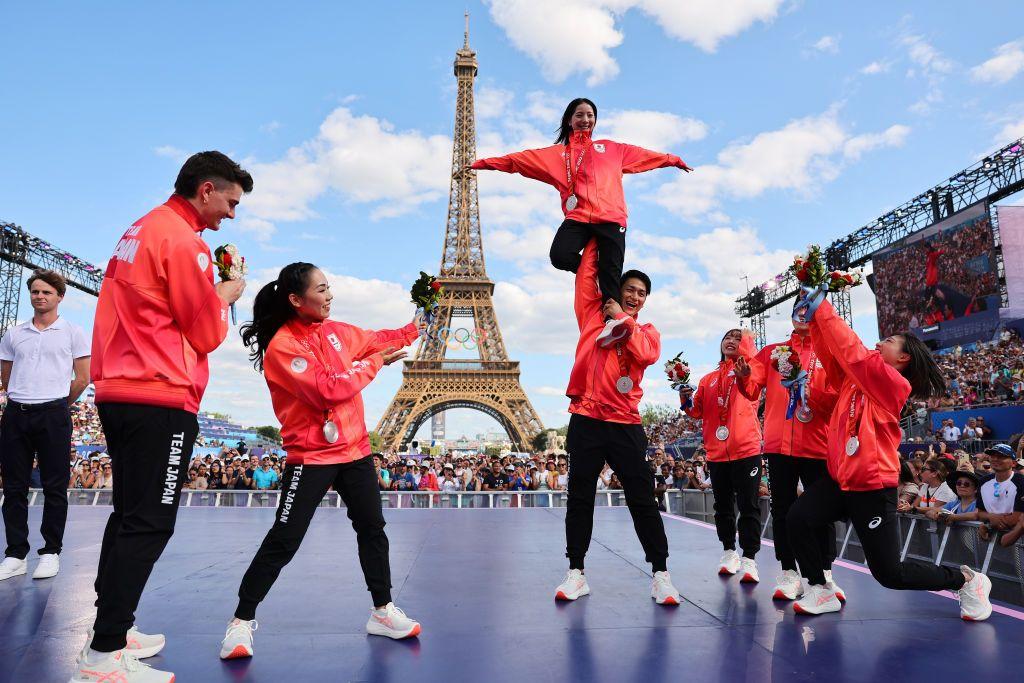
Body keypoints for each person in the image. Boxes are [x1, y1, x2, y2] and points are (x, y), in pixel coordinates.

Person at [71, 151, 251, 683]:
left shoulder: (142, 228)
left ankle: (112, 625)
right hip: (160, 392)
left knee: (127, 514)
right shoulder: (184, 241)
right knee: (150, 521)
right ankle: (103, 656)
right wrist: (227, 292)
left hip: (121, 387)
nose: (232, 215)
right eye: (231, 202)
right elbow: (206, 333)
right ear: (206, 190)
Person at [220, 262, 423, 662]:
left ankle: (382, 610)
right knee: (285, 539)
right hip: (311, 457)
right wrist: (376, 362)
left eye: (330, 287)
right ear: (297, 300)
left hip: (355, 451)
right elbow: (331, 390)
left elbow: (379, 337)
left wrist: (420, 320)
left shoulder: (337, 332)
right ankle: (241, 621)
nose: (330, 295)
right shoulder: (282, 346)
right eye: (322, 289)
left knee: (372, 529)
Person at [785, 296, 991, 619]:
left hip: (871, 486)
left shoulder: (893, 382)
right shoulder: (858, 381)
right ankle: (820, 589)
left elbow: (851, 352)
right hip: (842, 480)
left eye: (890, 341)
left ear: (904, 357)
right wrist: (812, 329)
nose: (880, 343)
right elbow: (835, 356)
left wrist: (822, 308)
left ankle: (966, 580)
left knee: (889, 573)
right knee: (797, 518)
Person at [471, 98, 692, 347]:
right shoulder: (556, 155)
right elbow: (518, 161)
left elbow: (645, 157)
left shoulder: (613, 149)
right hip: (579, 216)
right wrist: (484, 163)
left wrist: (672, 159)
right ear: (569, 120)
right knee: (560, 255)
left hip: (611, 217)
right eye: (580, 115)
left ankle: (612, 323)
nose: (585, 120)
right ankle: (592, 273)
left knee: (611, 273)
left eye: (590, 115)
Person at [556, 239, 680, 606]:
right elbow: (585, 276)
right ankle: (576, 572)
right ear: (617, 289)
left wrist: (622, 318)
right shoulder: (592, 315)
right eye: (630, 289)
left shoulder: (647, 331)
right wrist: (598, 234)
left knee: (641, 498)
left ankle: (661, 574)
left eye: (642, 294)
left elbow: (647, 353)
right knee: (579, 497)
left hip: (625, 421)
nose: (636, 297)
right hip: (586, 417)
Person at [737, 317, 844, 601]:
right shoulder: (775, 351)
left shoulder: (829, 354)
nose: (804, 312)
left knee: (823, 512)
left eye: (809, 305)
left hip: (818, 445)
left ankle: (825, 572)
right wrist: (744, 374)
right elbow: (751, 387)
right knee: (782, 510)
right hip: (778, 445)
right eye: (799, 304)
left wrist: (811, 394)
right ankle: (789, 572)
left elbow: (837, 402)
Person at [0, 270, 90, 583]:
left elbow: (82, 378)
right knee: (13, 487)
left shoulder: (73, 332)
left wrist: (57, 404)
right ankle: (15, 554)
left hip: (53, 413)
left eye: (46, 293)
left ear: (59, 297)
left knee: (54, 487)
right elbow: (6, 375)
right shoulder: (14, 333)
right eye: (35, 292)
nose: (40, 297)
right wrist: (21, 396)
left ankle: (51, 551)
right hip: (16, 413)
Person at [680, 329, 762, 582]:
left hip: (746, 449)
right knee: (722, 506)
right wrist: (685, 398)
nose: (731, 341)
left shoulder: (751, 371)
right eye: (727, 337)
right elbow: (697, 412)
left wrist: (744, 368)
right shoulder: (708, 379)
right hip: (717, 453)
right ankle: (729, 551)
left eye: (738, 338)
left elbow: (752, 391)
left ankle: (749, 558)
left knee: (749, 505)